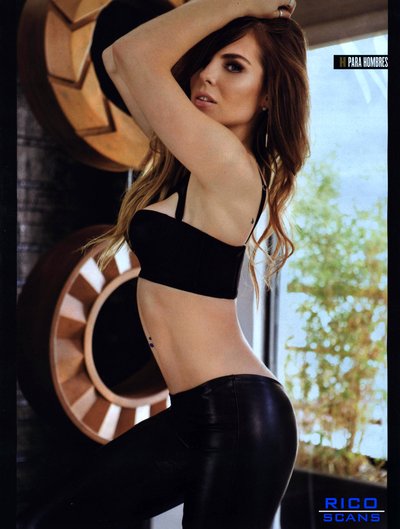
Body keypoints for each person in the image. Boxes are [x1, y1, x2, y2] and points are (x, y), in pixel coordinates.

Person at [19, 0, 310, 527]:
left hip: (240, 414)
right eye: (206, 60)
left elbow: (135, 55)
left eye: (233, 66)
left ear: (269, 95)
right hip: (195, 415)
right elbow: (115, 60)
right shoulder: (195, 164)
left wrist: (240, 2)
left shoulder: (231, 168)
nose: (205, 76)